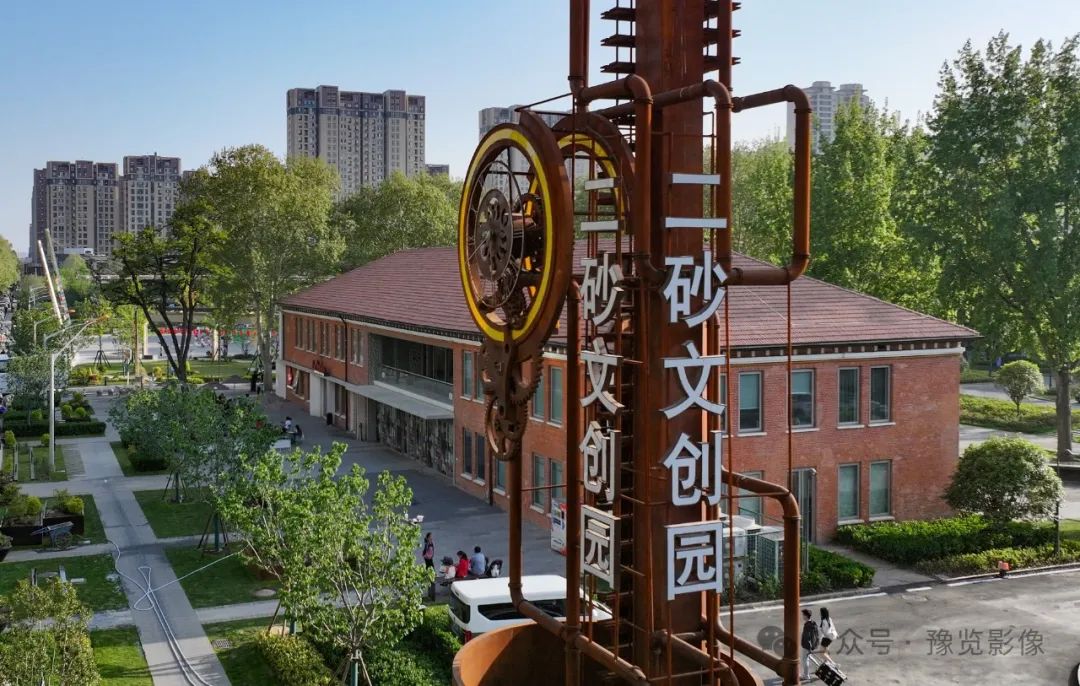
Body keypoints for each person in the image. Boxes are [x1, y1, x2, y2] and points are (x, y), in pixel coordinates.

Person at [800, 608, 821, 682]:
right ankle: (819, 668)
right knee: (809, 657)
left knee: (805, 660)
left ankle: (806, 676)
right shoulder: (812, 623)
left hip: (807, 645)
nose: (802, 616)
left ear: (806, 616)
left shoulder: (807, 625)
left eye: (803, 615)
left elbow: (807, 637)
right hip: (811, 644)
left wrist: (807, 646)